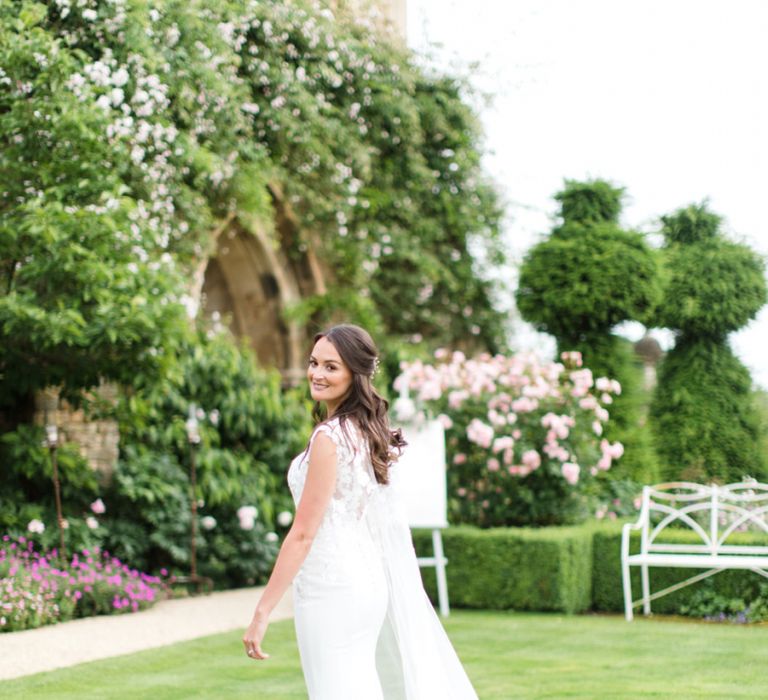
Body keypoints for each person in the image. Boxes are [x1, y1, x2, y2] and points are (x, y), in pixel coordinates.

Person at [242, 324, 478, 699]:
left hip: (331, 587)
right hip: (364, 582)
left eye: (331, 367)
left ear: (355, 373)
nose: (317, 374)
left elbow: (303, 533)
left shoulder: (329, 438)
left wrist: (262, 611)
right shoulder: (361, 431)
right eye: (313, 363)